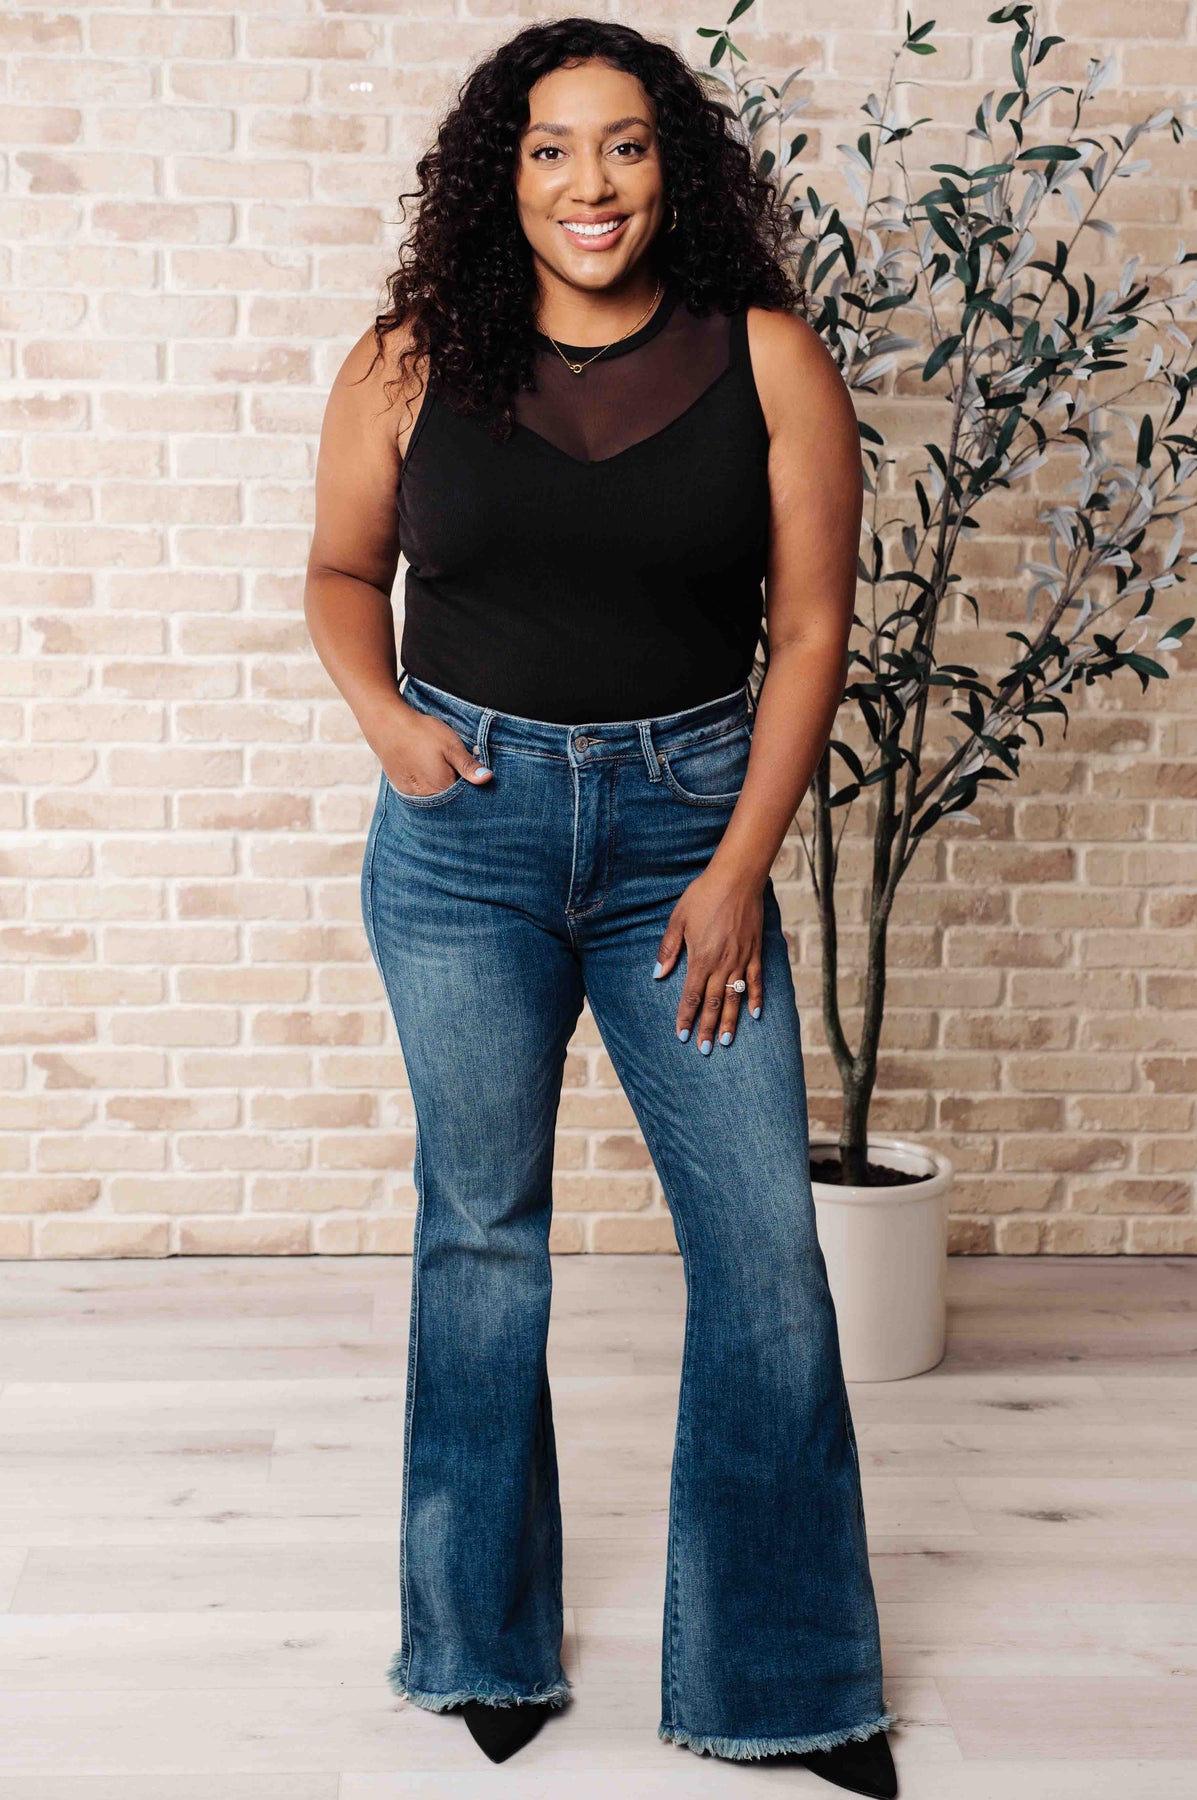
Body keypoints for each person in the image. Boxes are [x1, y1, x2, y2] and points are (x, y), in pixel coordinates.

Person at [304, 16, 898, 1797]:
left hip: (680, 831)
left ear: (670, 168)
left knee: (765, 1254)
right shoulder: (409, 355)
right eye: (552, 148)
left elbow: (810, 631)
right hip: (464, 838)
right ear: (503, 175)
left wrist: (735, 871)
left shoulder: (768, 359)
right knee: (480, 1235)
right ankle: (477, 1645)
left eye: (624, 145)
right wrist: (387, 720)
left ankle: (784, 1684)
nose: (590, 184)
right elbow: (339, 570)